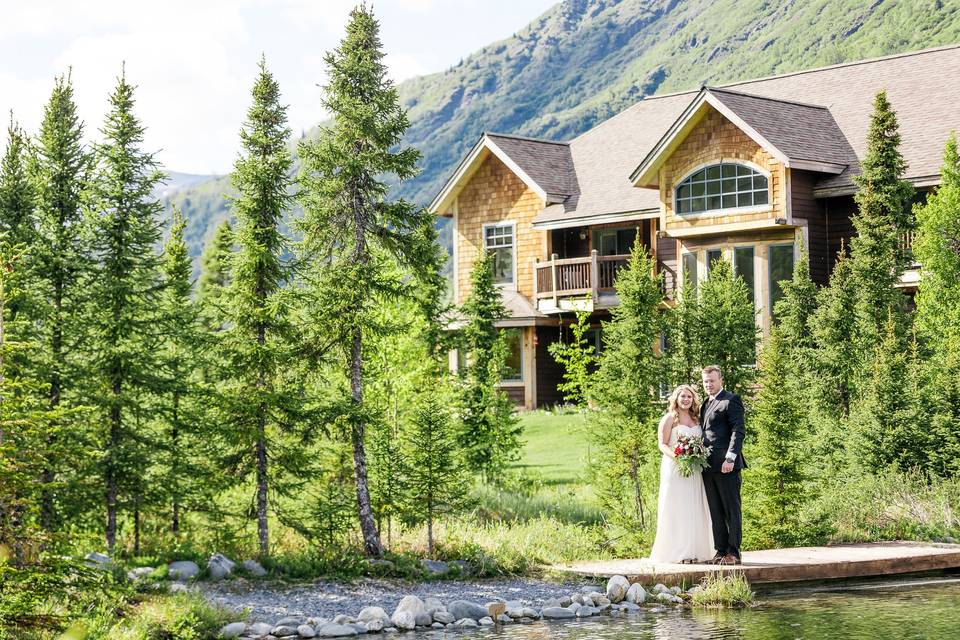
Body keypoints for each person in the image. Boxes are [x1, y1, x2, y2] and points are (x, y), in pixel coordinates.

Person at [648, 384, 714, 564]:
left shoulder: (696, 417)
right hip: (675, 468)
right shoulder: (669, 418)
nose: (686, 399)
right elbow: (662, 444)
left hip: (694, 470)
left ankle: (696, 551)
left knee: (694, 507)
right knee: (677, 508)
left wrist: (696, 454)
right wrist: (677, 457)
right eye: (682, 396)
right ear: (676, 399)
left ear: (693, 399)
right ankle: (679, 553)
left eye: (689, 397)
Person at [700, 364, 747, 565]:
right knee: (716, 511)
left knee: (731, 510)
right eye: (705, 381)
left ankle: (734, 553)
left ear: (720, 381)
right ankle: (720, 551)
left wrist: (730, 458)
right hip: (707, 466)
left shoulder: (730, 400)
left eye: (712, 380)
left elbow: (738, 431)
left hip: (727, 465)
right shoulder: (704, 403)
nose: (708, 384)